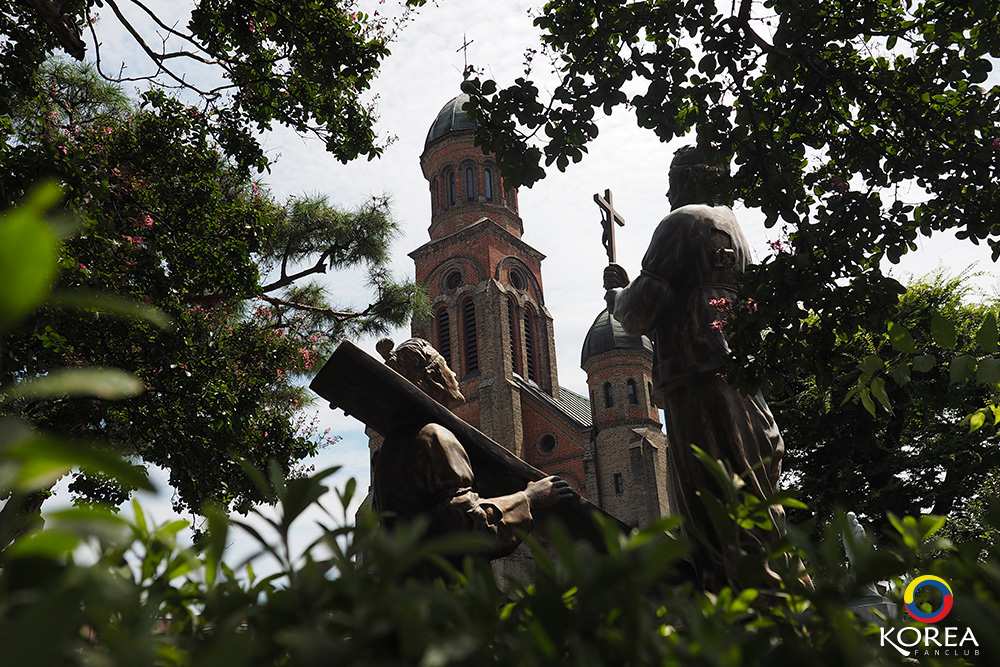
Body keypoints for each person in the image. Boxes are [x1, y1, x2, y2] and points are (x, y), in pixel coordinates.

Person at [603, 145, 786, 589]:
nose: (667, 192)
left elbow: (642, 309)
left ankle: (746, 607)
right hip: (740, 376)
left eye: (671, 181)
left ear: (686, 179)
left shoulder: (682, 221)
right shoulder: (735, 230)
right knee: (753, 492)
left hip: (696, 374)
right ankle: (783, 593)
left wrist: (618, 295)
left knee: (712, 501)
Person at [371, 337, 573, 569]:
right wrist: (530, 497)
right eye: (446, 365)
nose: (455, 374)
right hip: (446, 590)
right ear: (433, 378)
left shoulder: (392, 445)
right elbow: (466, 527)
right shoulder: (434, 437)